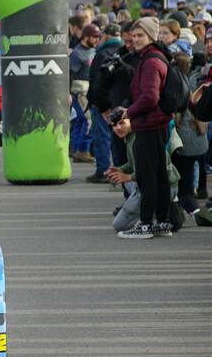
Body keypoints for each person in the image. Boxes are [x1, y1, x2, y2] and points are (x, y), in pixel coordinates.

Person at [113, 17, 175, 239]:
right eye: (134, 35)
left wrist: (128, 112)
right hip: (155, 124)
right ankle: (162, 222)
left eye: (141, 35)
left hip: (149, 125)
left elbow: (149, 97)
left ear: (151, 36)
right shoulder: (155, 58)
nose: (135, 39)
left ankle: (146, 224)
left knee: (149, 178)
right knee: (158, 176)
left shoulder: (150, 62)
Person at [171, 52, 212, 225]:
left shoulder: (177, 88)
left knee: (185, 189)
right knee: (200, 173)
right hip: (200, 141)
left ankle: (197, 213)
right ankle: (202, 193)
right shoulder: (197, 81)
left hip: (185, 144)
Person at [86, 23, 123, 182]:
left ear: (106, 36)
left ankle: (103, 171)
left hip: (102, 104)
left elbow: (95, 81)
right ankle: (119, 170)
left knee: (102, 137)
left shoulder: (101, 54)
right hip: (120, 103)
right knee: (119, 139)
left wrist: (98, 104)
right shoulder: (124, 52)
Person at [69, 23, 100, 163]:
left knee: (81, 121)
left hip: (89, 90)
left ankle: (77, 149)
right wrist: (68, 93)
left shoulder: (94, 51)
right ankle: (82, 150)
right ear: (85, 37)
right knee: (88, 120)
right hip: (80, 91)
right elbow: (70, 74)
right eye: (94, 37)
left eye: (98, 37)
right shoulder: (77, 53)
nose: (96, 40)